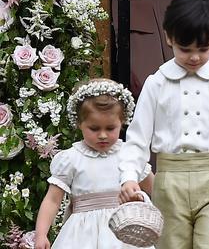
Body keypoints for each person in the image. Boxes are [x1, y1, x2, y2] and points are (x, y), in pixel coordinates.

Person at [119, 0, 209, 249]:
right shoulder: (156, 84)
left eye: (203, 48)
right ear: (168, 38)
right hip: (169, 180)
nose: (195, 57)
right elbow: (138, 138)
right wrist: (129, 176)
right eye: (185, 49)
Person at [34, 79, 153, 249]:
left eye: (110, 128)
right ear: (80, 124)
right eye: (94, 129)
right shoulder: (71, 158)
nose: (103, 135)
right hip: (82, 236)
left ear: (122, 123)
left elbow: (154, 188)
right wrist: (41, 234)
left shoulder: (129, 155)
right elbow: (53, 200)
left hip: (124, 233)